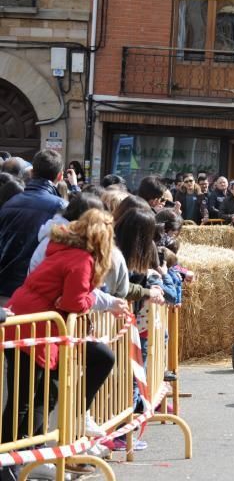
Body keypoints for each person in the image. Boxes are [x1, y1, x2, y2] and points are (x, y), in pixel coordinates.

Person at [3, 209, 118, 472]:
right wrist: (87, 300)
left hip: (31, 322)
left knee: (40, 394)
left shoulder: (65, 249)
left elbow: (67, 300)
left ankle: (25, 453)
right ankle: (10, 458)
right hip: (34, 327)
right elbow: (74, 301)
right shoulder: (82, 259)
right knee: (25, 397)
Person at [0, 149, 66, 304]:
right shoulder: (61, 207)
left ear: (32, 172)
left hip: (6, 288)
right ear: (60, 176)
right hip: (36, 294)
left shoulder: (9, 203)